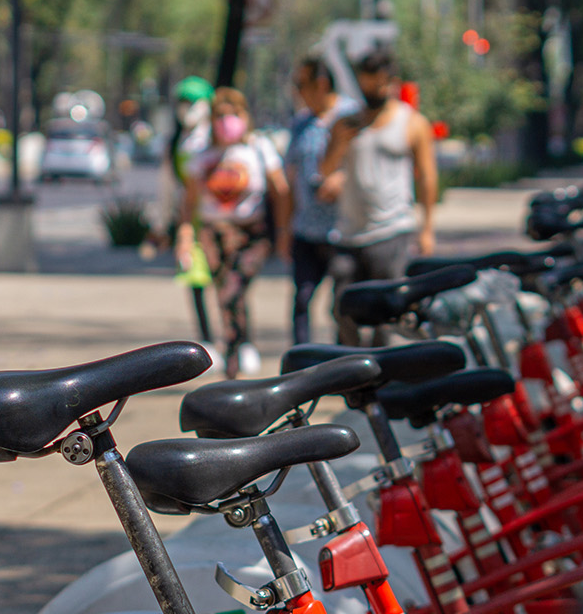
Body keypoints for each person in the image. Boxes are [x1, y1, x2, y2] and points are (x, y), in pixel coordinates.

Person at [319, 49, 438, 345]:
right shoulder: (344, 123)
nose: (376, 89)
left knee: (388, 314)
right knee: (342, 309)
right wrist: (340, 144)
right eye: (369, 83)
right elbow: (325, 170)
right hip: (349, 234)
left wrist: (427, 228)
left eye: (382, 83)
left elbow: (427, 176)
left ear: (393, 82)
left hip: (392, 230)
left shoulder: (412, 123)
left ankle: (383, 380)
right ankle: (351, 374)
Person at [175, 88, 291, 378]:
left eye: (234, 114)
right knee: (227, 294)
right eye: (221, 115)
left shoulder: (259, 148)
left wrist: (284, 232)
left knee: (234, 288)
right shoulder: (200, 152)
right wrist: (185, 237)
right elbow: (188, 203)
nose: (227, 121)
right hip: (214, 234)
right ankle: (237, 350)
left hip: (251, 234)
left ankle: (234, 354)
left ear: (246, 116)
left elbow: (282, 191)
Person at [282, 55, 360, 345]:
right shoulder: (299, 124)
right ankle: (300, 368)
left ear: (322, 83)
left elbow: (367, 167)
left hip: (343, 231)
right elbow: (290, 178)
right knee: (301, 301)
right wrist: (285, 228)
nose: (296, 92)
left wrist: (342, 179)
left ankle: (344, 366)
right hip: (306, 230)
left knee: (342, 308)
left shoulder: (352, 116)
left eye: (300, 84)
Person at [160, 76, 217, 354]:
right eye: (182, 102)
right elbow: (169, 188)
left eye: (192, 102)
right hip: (190, 223)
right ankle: (208, 340)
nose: (187, 108)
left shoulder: (216, 139)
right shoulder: (176, 142)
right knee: (194, 281)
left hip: (218, 219)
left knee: (226, 284)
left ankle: (238, 340)